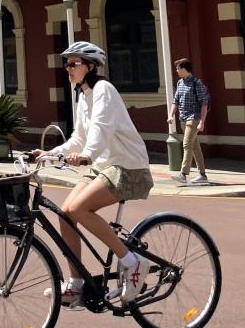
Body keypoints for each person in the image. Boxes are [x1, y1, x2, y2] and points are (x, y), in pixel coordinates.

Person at [32, 41, 154, 307]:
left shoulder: (103, 90)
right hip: (104, 165)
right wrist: (51, 154)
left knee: (79, 208)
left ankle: (132, 263)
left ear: (90, 66)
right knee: (65, 214)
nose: (68, 68)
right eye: (67, 64)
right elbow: (79, 136)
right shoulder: (83, 95)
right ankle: (76, 285)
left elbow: (100, 131)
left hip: (127, 165)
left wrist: (87, 154)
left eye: (73, 64)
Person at [170, 58, 211, 184]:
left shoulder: (196, 83)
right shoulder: (179, 83)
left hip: (194, 118)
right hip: (183, 118)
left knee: (187, 144)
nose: (176, 70)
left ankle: (183, 174)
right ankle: (202, 175)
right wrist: (171, 115)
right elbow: (175, 101)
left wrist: (202, 121)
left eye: (178, 68)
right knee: (195, 147)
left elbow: (204, 103)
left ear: (184, 69)